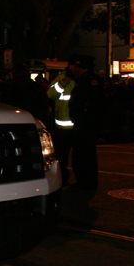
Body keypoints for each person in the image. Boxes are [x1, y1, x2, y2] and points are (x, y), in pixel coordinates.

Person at [68, 54, 105, 190]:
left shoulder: (90, 80)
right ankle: (84, 181)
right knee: (82, 153)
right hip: (83, 122)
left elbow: (91, 102)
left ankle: (86, 182)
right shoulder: (84, 79)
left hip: (86, 123)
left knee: (84, 154)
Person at [46, 56, 78, 184]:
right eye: (74, 65)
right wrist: (63, 83)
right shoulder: (61, 79)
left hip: (77, 125)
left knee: (77, 156)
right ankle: (63, 177)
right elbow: (50, 95)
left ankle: (76, 179)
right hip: (63, 126)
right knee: (62, 156)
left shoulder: (80, 79)